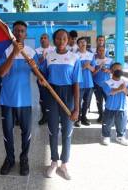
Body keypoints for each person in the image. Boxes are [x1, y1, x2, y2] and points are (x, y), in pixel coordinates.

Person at [0, 20, 39, 176]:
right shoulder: (5, 51)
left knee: (26, 132)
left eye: (22, 31)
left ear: (26, 34)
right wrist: (14, 53)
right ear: (12, 33)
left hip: (25, 100)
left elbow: (38, 76)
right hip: (7, 99)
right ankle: (9, 159)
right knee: (7, 132)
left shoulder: (31, 52)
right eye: (16, 30)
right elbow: (1, 73)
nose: (19, 33)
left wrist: (34, 67)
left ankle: (24, 158)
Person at [41, 29, 81, 180]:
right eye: (58, 38)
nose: (61, 41)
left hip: (68, 95)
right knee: (52, 130)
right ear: (54, 40)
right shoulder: (49, 56)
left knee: (67, 131)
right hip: (52, 94)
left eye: (64, 38)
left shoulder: (74, 58)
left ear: (68, 39)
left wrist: (77, 108)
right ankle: (53, 161)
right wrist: (41, 80)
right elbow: (43, 75)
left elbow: (76, 84)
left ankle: (64, 163)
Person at [100, 62, 128, 146]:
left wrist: (121, 89)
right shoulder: (106, 82)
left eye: (120, 68)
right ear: (111, 70)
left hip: (122, 108)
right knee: (107, 123)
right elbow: (109, 93)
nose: (118, 70)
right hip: (110, 107)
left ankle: (120, 137)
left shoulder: (126, 82)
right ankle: (106, 136)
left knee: (121, 124)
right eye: (116, 68)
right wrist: (120, 89)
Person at [74, 37, 96, 127]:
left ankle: (84, 117)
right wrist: (83, 67)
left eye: (84, 42)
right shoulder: (74, 55)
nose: (83, 43)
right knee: (78, 102)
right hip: (79, 83)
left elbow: (93, 69)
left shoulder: (91, 55)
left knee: (87, 102)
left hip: (89, 83)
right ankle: (78, 119)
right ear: (78, 44)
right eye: (81, 42)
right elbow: (73, 70)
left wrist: (88, 66)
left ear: (86, 44)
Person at [35, 33, 55, 125]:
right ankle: (44, 116)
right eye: (41, 38)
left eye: (45, 38)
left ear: (48, 40)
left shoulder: (53, 50)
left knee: (53, 96)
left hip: (52, 76)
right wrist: (42, 59)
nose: (43, 39)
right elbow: (35, 65)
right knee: (42, 97)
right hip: (41, 76)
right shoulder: (36, 51)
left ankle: (53, 115)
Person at [92, 46, 113, 123]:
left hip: (107, 85)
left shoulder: (110, 60)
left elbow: (114, 71)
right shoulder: (94, 60)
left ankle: (108, 115)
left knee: (108, 100)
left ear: (105, 51)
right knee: (99, 101)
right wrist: (99, 68)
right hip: (97, 84)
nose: (101, 52)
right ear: (97, 51)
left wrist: (108, 70)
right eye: (99, 50)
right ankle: (101, 115)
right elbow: (92, 73)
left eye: (103, 50)